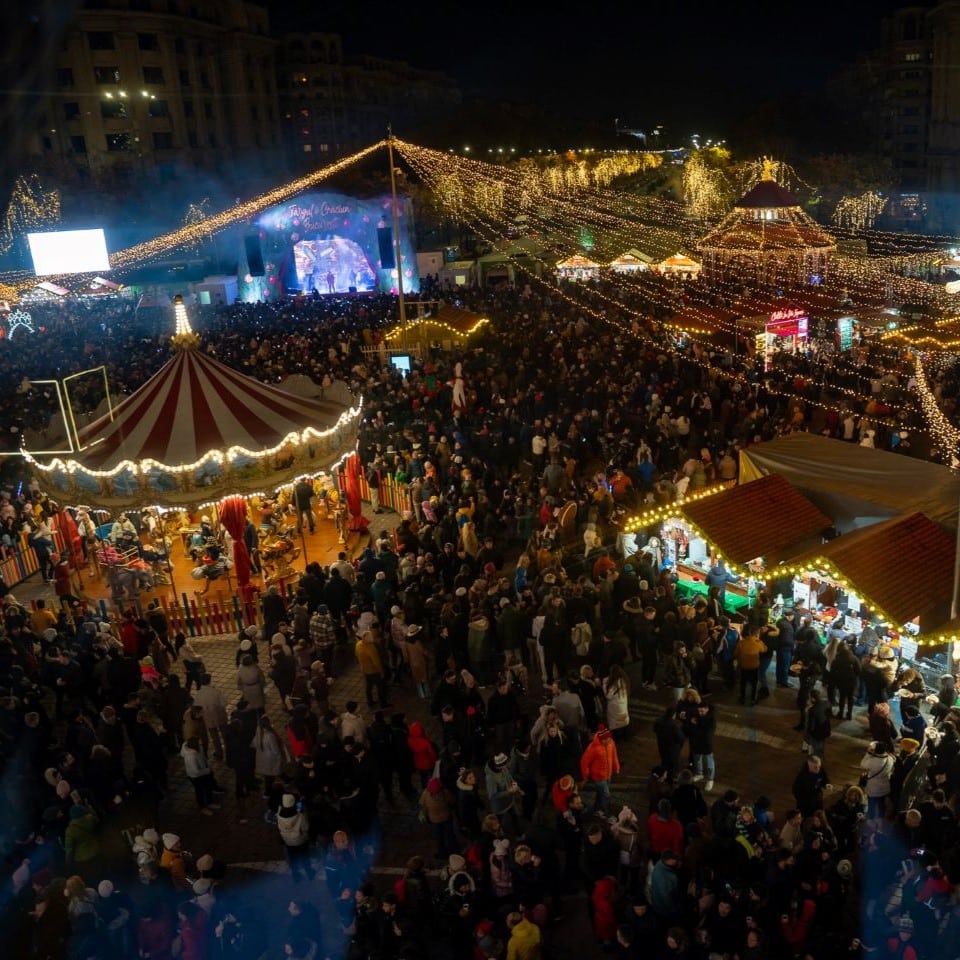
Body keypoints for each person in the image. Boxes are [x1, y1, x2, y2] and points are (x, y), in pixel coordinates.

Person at [580, 725, 620, 814]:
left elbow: (614, 755)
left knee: (601, 793)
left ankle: (596, 809)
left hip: (608, 774)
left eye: (609, 738)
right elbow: (584, 762)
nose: (608, 740)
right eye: (606, 739)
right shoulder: (593, 748)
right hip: (599, 777)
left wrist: (616, 767)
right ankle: (607, 813)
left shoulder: (611, 743)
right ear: (601, 739)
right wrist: (586, 775)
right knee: (606, 795)